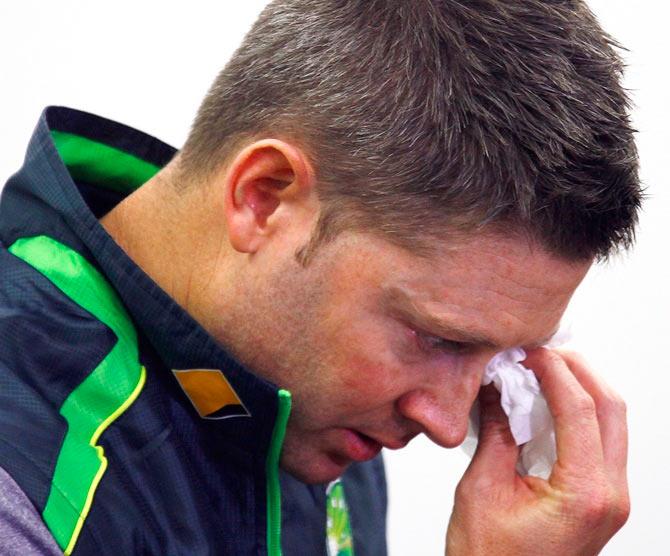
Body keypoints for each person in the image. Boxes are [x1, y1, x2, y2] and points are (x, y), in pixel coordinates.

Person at [0, 0, 640, 554]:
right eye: (439, 339)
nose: (447, 427)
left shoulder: (303, 395)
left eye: (506, 356)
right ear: (264, 197)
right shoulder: (20, 477)